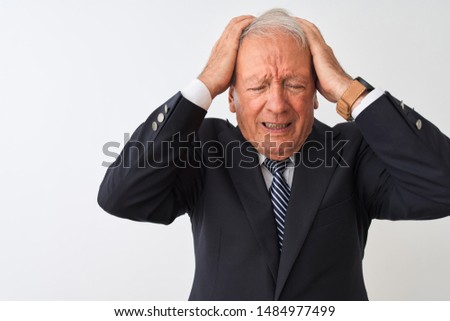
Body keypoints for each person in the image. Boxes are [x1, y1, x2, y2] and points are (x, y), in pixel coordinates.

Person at [97, 9, 450, 300]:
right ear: (231, 98)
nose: (278, 104)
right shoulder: (204, 147)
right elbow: (121, 197)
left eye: (295, 85)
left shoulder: (350, 151)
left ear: (316, 94)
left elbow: (442, 187)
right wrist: (203, 85)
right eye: (258, 86)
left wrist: (349, 89)